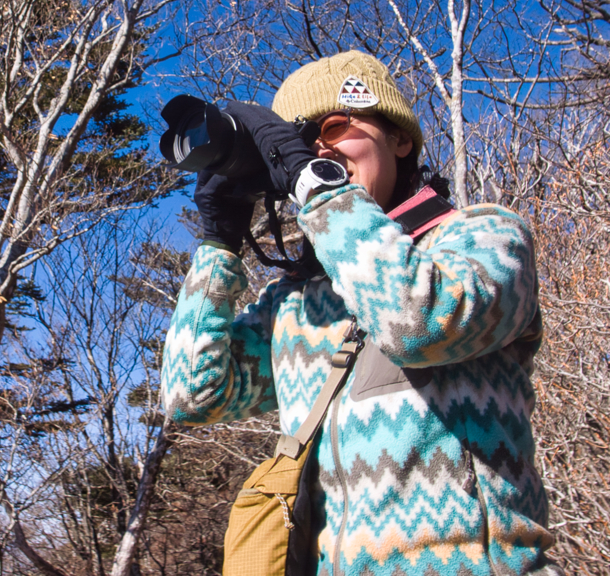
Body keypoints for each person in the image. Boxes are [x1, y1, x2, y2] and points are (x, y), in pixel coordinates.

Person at [160, 50, 560, 575]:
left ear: (399, 138)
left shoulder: (482, 238)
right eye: (296, 142)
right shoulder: (297, 305)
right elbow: (191, 395)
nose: (317, 148)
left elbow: (418, 322)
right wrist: (219, 245)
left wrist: (315, 181)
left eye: (334, 126)